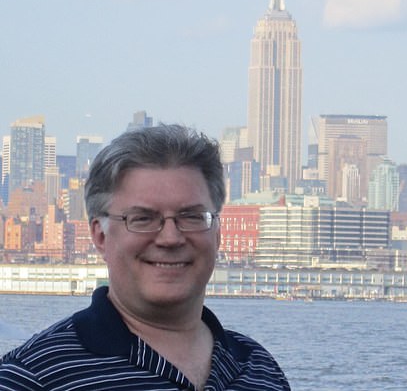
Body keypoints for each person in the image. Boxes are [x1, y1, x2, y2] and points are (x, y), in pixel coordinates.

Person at [0, 124, 291, 391]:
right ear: (100, 236)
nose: (170, 238)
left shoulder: (259, 370)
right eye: (142, 218)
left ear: (217, 233)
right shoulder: (32, 377)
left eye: (190, 216)